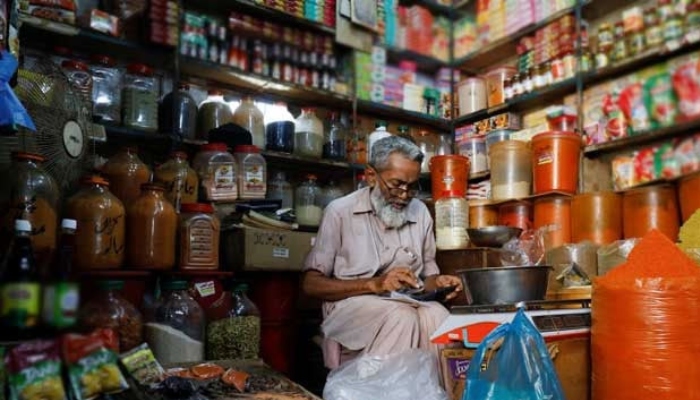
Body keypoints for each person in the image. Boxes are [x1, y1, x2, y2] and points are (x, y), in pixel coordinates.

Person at [301, 135, 463, 369]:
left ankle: (431, 393)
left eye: (412, 186)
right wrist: (374, 284)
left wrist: (439, 283)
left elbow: (426, 280)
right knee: (400, 317)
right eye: (396, 184)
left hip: (406, 301)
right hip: (349, 306)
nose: (405, 195)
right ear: (371, 176)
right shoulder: (340, 212)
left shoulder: (420, 213)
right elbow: (311, 284)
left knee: (438, 316)